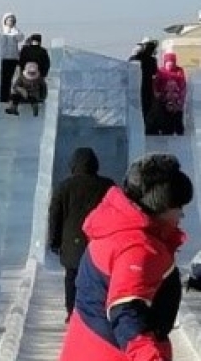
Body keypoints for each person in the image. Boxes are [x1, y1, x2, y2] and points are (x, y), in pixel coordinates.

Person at [59, 153, 193, 361]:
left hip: (87, 348)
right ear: (160, 205)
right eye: (178, 207)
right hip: (113, 353)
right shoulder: (138, 248)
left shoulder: (116, 231)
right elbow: (126, 310)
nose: (181, 216)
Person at [48, 147, 115, 323]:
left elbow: (55, 215)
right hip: (102, 242)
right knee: (100, 279)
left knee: (72, 277)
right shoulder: (108, 186)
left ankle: (72, 312)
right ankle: (98, 314)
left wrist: (54, 241)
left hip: (71, 243)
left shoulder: (64, 187)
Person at [150, 52, 186, 136]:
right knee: (165, 118)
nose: (170, 65)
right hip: (164, 100)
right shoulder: (161, 71)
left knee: (177, 116)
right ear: (165, 63)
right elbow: (155, 84)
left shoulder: (179, 71)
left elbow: (182, 84)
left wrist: (180, 97)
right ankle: (167, 131)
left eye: (172, 63)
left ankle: (179, 132)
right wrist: (157, 94)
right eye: (168, 63)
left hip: (176, 100)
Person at [129, 38, 158, 133]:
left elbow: (129, 64)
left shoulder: (137, 58)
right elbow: (155, 72)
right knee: (147, 110)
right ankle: (147, 129)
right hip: (147, 88)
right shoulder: (152, 60)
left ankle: (141, 129)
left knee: (140, 109)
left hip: (138, 87)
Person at [0, 13, 24, 103]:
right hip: (4, 57)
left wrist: (14, 30)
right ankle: (3, 97)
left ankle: (12, 96)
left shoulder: (16, 31)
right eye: (9, 20)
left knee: (13, 78)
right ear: (5, 21)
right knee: (5, 78)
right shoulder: (2, 31)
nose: (11, 22)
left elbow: (20, 38)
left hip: (14, 57)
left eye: (12, 20)